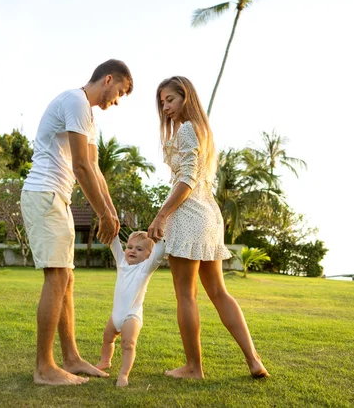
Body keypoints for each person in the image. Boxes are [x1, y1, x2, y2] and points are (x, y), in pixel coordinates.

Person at [20, 59, 133, 386]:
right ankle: (44, 368)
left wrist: (111, 213)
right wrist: (101, 214)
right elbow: (80, 167)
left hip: (57, 197)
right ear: (108, 79)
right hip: (45, 193)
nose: (117, 100)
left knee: (66, 279)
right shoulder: (74, 101)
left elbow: (95, 169)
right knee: (57, 278)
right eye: (120, 92)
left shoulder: (88, 116)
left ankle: (70, 358)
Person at [148, 76, 269, 379]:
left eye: (170, 100)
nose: (165, 107)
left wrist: (162, 215)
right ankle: (254, 360)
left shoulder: (188, 130)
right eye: (162, 102)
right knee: (218, 291)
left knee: (186, 295)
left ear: (186, 97)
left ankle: (193, 367)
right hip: (210, 216)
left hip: (188, 215)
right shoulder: (202, 131)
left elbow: (187, 179)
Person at [95, 232, 165, 387]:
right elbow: (114, 243)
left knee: (128, 344)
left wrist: (159, 236)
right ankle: (105, 361)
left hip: (131, 316)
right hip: (116, 315)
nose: (132, 251)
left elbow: (159, 252)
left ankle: (124, 374)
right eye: (130, 247)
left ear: (149, 255)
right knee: (108, 338)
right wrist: (109, 222)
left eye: (139, 249)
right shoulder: (121, 263)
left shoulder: (145, 268)